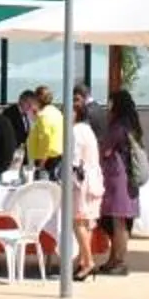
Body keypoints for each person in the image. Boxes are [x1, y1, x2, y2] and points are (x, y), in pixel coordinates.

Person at [95, 88, 144, 275]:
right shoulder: (133, 125)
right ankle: (113, 260)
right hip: (128, 179)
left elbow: (105, 149)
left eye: (110, 103)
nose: (108, 107)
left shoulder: (118, 127)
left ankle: (119, 262)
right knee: (120, 221)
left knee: (118, 222)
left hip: (118, 179)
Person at [65, 105, 104, 279]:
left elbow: (74, 158)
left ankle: (88, 261)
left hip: (81, 181)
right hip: (93, 178)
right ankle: (83, 260)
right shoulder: (89, 130)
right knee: (87, 222)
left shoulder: (76, 131)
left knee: (78, 222)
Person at [24, 87, 63, 176]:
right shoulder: (56, 112)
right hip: (56, 158)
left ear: (37, 100)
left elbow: (46, 142)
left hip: (47, 163)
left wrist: (40, 166)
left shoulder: (44, 116)